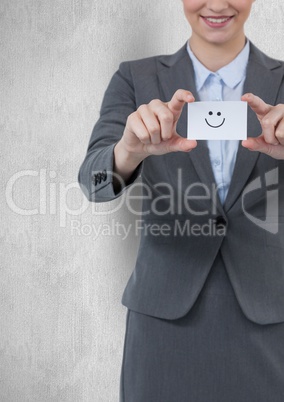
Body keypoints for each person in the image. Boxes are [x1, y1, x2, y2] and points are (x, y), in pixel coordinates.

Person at [78, 1, 284, 401]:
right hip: (164, 323)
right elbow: (93, 180)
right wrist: (129, 151)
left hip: (272, 319)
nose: (218, 4)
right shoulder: (136, 78)